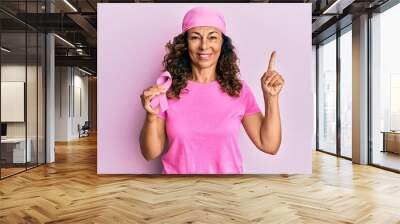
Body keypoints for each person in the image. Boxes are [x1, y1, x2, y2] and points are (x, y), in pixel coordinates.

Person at [139, 6, 284, 174]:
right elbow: (150, 153)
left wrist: (271, 98)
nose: (204, 46)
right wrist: (150, 116)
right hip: (177, 191)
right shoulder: (166, 89)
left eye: (213, 37)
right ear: (185, 44)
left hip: (226, 193)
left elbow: (269, 145)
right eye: (195, 37)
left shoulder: (239, 90)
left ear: (223, 43)